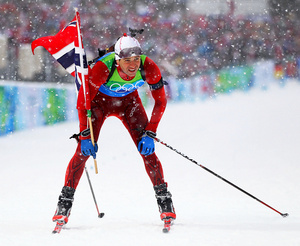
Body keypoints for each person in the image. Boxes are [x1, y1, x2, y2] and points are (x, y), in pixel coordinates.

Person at [52, 33, 176, 225]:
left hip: (129, 104)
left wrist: (151, 132)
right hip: (99, 103)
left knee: (148, 151)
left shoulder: (148, 66)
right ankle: (64, 202)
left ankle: (164, 200)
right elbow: (83, 102)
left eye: (136, 59)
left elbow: (160, 101)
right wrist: (85, 134)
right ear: (118, 59)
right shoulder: (103, 68)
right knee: (82, 153)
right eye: (127, 60)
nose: (133, 65)